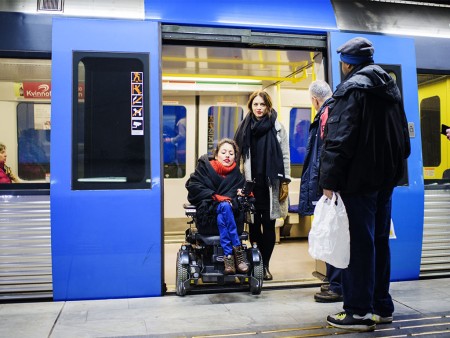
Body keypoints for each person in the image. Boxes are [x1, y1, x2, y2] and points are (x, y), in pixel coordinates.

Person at [320, 37, 410, 331]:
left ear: (347, 64)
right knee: (378, 241)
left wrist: (329, 179)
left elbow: (340, 138)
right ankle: (381, 306)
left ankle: (359, 311)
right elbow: (403, 140)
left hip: (358, 182)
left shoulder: (351, 90)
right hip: (385, 180)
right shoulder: (390, 88)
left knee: (358, 244)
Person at [234, 90, 291, 280]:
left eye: (262, 105)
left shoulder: (277, 128)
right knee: (253, 226)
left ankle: (265, 264)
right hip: (250, 185)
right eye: (256, 104)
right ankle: (256, 261)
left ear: (268, 106)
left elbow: (285, 156)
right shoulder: (243, 128)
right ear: (251, 106)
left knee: (269, 226)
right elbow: (237, 156)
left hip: (271, 185)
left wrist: (286, 181)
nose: (259, 108)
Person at [298, 80, 343, 303]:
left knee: (332, 233)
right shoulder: (336, 109)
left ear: (315, 100)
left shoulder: (326, 114)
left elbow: (325, 154)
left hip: (331, 189)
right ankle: (335, 281)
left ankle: (337, 284)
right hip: (334, 186)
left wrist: (325, 185)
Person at [185, 138, 249, 275]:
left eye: (231, 153)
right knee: (225, 207)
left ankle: (229, 258)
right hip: (208, 216)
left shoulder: (237, 176)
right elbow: (194, 187)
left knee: (224, 212)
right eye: (224, 152)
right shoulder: (204, 168)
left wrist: (240, 195)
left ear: (235, 157)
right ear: (216, 154)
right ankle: (237, 250)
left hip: (225, 216)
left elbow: (241, 196)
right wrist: (215, 196)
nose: (227, 156)